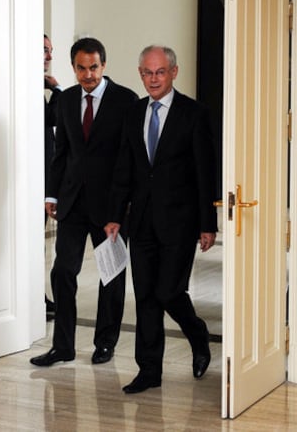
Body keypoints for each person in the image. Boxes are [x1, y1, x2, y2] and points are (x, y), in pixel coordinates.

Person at [104, 45, 218, 394]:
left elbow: (205, 171)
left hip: (181, 223)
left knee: (169, 291)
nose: (153, 79)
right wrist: (114, 216)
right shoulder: (133, 113)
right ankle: (149, 370)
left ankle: (198, 336)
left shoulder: (194, 114)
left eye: (160, 72)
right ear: (140, 74)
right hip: (141, 223)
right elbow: (125, 166)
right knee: (146, 298)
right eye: (147, 72)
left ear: (174, 72)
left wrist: (207, 223)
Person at [30, 36, 138, 367]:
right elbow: (60, 153)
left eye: (93, 67)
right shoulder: (66, 101)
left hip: (111, 207)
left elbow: (129, 158)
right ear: (73, 67)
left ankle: (105, 343)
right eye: (80, 68)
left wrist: (122, 207)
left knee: (111, 276)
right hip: (73, 203)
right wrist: (51, 194)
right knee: (63, 271)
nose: (87, 74)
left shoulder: (126, 100)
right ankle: (62, 346)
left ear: (103, 65)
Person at [44, 34, 62, 320]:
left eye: (49, 51)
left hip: (44, 181)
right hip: (28, 182)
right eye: (43, 51)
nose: (48, 57)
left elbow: (55, 118)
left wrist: (56, 90)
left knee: (37, 245)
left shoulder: (41, 88)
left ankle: (38, 297)